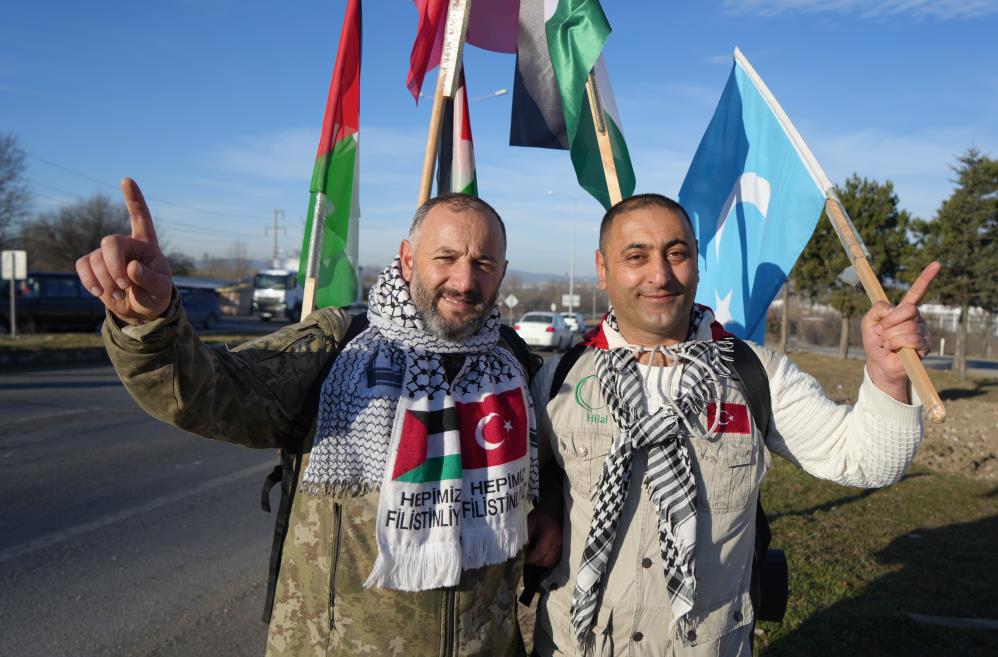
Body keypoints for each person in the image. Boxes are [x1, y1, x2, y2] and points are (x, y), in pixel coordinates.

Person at [78, 178, 542, 657]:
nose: (464, 282)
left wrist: (547, 508)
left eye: (482, 264)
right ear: (407, 260)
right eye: (445, 257)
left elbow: (562, 461)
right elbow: (211, 394)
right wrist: (151, 325)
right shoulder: (336, 345)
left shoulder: (515, 365)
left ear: (501, 273)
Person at [526, 194, 938, 657]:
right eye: (636, 257)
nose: (660, 275)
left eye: (676, 254)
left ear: (697, 263)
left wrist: (888, 376)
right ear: (603, 269)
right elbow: (517, 482)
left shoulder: (756, 375)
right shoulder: (559, 379)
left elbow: (867, 462)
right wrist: (544, 509)